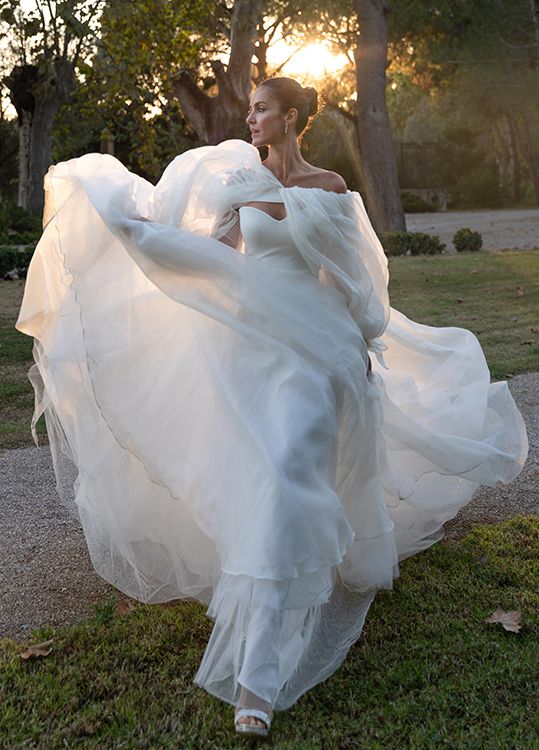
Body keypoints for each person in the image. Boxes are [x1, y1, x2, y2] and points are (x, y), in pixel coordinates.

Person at [15, 76, 528, 740]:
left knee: (288, 469)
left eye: (260, 109)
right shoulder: (238, 184)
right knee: (270, 483)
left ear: (290, 117)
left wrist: (362, 345)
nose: (249, 118)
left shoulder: (330, 188)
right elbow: (217, 257)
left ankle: (255, 676)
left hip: (319, 349)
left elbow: (352, 277)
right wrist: (139, 235)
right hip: (253, 352)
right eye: (249, 109)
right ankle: (264, 637)